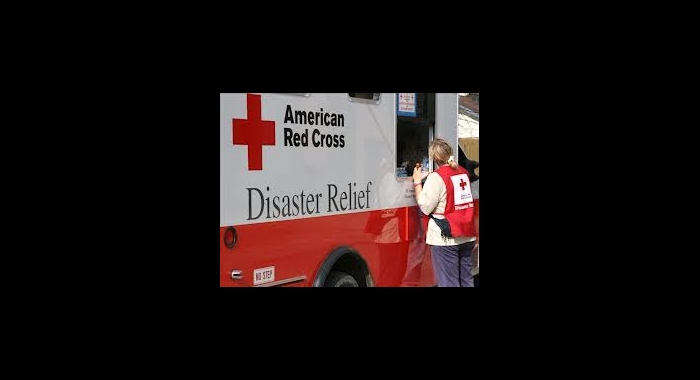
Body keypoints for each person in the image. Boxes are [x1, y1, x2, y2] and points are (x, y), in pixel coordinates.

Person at [412, 139, 478, 287]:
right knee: (467, 281)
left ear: (434, 158)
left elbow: (425, 206)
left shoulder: (436, 177)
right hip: (466, 235)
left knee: (449, 283)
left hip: (446, 239)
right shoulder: (463, 173)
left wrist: (417, 182)